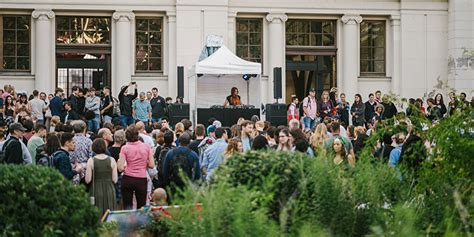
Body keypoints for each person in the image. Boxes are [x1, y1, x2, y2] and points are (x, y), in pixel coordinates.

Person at [118, 125, 155, 210]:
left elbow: (120, 168)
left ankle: (129, 222)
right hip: (141, 178)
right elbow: (152, 165)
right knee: (141, 206)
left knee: (127, 206)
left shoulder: (124, 148)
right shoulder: (146, 147)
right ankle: (140, 223)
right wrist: (144, 162)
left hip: (128, 178)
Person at [85, 138, 118, 215]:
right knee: (109, 213)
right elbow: (115, 179)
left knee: (97, 212)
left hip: (95, 189)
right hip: (109, 189)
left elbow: (88, 180)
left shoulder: (91, 160)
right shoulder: (112, 160)